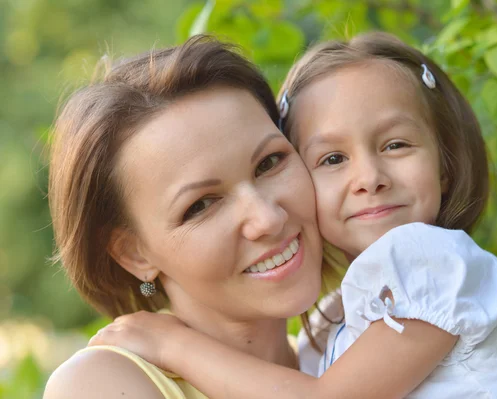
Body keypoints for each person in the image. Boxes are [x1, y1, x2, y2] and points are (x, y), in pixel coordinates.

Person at [90, 32, 497, 398]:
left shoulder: (430, 261)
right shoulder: (335, 321)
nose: (369, 177)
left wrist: (174, 346)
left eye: (395, 145)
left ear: (445, 165)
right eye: (332, 159)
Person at [42, 35, 325, 399]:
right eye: (201, 205)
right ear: (134, 254)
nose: (267, 219)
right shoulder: (99, 383)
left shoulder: (352, 353)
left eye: (269, 163)